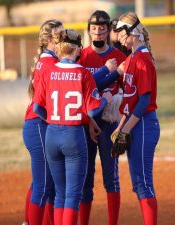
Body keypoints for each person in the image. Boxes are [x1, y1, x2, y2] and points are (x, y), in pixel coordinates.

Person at [33, 28, 112, 225]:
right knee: (72, 195)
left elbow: (37, 107)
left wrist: (52, 119)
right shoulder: (83, 73)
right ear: (77, 48)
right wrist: (105, 99)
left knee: (59, 193)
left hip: (52, 133)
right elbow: (93, 110)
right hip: (73, 135)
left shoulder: (50, 71)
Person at [78, 10, 126, 225]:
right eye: (94, 29)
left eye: (102, 29)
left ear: (108, 30)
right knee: (85, 180)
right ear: (89, 31)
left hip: (109, 124)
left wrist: (118, 105)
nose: (97, 33)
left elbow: (128, 90)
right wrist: (110, 74)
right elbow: (79, 89)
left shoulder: (119, 56)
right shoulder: (81, 55)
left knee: (111, 179)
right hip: (87, 124)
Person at [112, 11, 160, 225]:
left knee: (143, 183)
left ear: (133, 32)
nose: (119, 36)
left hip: (144, 124)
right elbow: (129, 100)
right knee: (138, 183)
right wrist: (119, 127)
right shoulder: (131, 58)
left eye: (122, 31)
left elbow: (143, 101)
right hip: (134, 124)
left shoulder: (142, 59)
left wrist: (125, 130)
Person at [22, 19, 64, 225]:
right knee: (43, 184)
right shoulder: (49, 64)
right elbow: (39, 106)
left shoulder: (49, 61)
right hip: (38, 124)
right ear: (49, 40)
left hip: (40, 125)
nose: (64, 39)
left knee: (47, 184)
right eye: (60, 36)